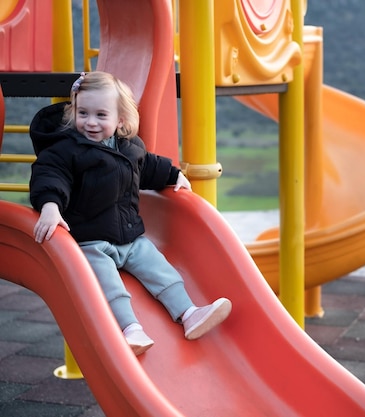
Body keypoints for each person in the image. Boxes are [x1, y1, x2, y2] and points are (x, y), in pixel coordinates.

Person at [29, 71, 232, 356]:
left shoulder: (130, 148)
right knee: (108, 283)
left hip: (130, 236)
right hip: (90, 240)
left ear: (120, 120)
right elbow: (50, 176)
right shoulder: (65, 151)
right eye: (83, 112)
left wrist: (173, 175)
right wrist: (50, 206)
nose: (91, 122)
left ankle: (188, 313)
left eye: (101, 115)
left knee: (160, 270)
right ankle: (129, 329)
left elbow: (147, 167)